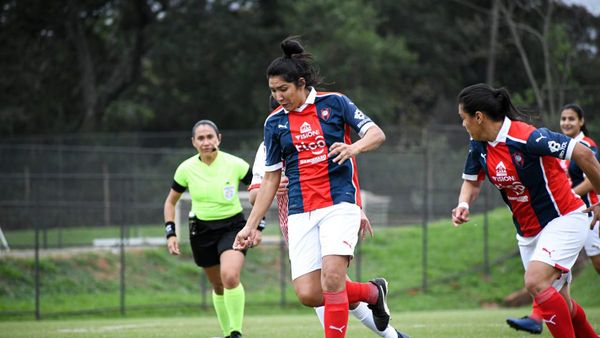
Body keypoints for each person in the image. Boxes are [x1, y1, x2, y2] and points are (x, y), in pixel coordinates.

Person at [233, 37, 398, 338]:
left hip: (339, 204)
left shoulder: (335, 103)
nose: (278, 96)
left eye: (283, 89)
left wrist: (354, 148)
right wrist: (251, 225)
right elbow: (270, 179)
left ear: (301, 83)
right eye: (272, 91)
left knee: (333, 278)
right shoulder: (274, 124)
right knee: (309, 293)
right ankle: (373, 293)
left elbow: (376, 133)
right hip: (300, 211)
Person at [452, 83, 600, 338]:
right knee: (562, 303)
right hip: (528, 232)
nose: (463, 125)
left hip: (564, 218)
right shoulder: (478, 144)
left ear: (479, 117)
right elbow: (472, 181)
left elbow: (583, 154)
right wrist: (464, 204)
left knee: (535, 281)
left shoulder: (528, 138)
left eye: (463, 118)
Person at [249, 140, 410, 338]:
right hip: (295, 227)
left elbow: (344, 171)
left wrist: (356, 206)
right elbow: (255, 194)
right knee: (329, 291)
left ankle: (384, 317)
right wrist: (272, 187)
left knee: (325, 287)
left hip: (327, 217)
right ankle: (380, 308)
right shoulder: (268, 145)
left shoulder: (316, 130)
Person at [506, 103, 600, 334]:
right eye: (563, 118)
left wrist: (569, 195)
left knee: (593, 266)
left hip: (589, 211)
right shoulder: (558, 148)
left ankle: (536, 317)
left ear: (581, 122)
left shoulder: (584, 146)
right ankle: (536, 316)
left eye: (571, 119)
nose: (566, 122)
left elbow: (591, 176)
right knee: (554, 284)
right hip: (569, 217)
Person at [163, 120, 260, 338]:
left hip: (232, 226)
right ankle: (226, 333)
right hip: (202, 231)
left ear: (219, 138)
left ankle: (236, 332)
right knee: (218, 285)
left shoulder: (236, 164)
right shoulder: (185, 169)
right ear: (193, 142)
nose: (206, 142)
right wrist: (171, 233)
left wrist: (258, 225)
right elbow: (170, 202)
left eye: (210, 137)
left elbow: (260, 190)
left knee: (230, 276)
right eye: (201, 138)